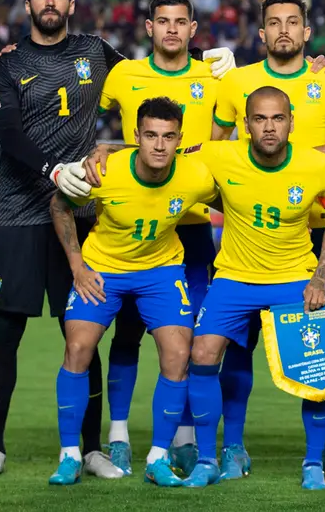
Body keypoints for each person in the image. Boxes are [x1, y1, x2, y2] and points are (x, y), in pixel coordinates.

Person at [0, 0, 235, 481]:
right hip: (18, 212)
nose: (50, 2)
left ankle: (92, 448)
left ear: (71, 3)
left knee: (83, 332)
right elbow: (6, 130)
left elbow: (159, 63)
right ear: (27, 6)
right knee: (5, 332)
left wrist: (215, 60)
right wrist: (53, 170)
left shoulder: (97, 54)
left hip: (88, 212)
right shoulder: (5, 64)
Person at [207, 0, 325, 480]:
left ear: (306, 32)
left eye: (294, 22)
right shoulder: (237, 84)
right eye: (275, 22)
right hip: (251, 239)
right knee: (237, 345)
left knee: (321, 352)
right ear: (262, 30)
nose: (284, 30)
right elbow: (216, 153)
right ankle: (234, 447)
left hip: (314, 239)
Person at [176, 86, 325, 489]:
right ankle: (208, 458)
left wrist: (320, 277)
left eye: (277, 118)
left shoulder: (316, 167)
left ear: (291, 121)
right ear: (245, 124)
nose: (269, 127)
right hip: (235, 277)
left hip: (293, 277)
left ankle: (312, 464)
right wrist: (107, 153)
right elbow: (160, 152)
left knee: (317, 364)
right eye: (260, 119)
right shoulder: (220, 155)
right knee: (201, 354)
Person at [47, 97, 217, 486]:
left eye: (168, 137)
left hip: (160, 271)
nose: (159, 145)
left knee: (178, 354)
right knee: (77, 349)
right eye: (151, 136)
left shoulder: (195, 176)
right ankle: (69, 455)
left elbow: (235, 197)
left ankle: (158, 458)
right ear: (136, 136)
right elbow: (59, 206)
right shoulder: (105, 171)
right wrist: (77, 266)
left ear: (179, 139)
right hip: (104, 269)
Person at [90, 0, 223, 478]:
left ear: (193, 29)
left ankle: (183, 438)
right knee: (126, 336)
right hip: (133, 231)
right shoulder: (124, 75)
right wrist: (102, 147)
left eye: (180, 21)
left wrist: (322, 68)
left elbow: (267, 104)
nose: (171, 29)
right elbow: (79, 113)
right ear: (148, 27)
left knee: (188, 337)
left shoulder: (214, 76)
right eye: (162, 21)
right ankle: (120, 436)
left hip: (191, 229)